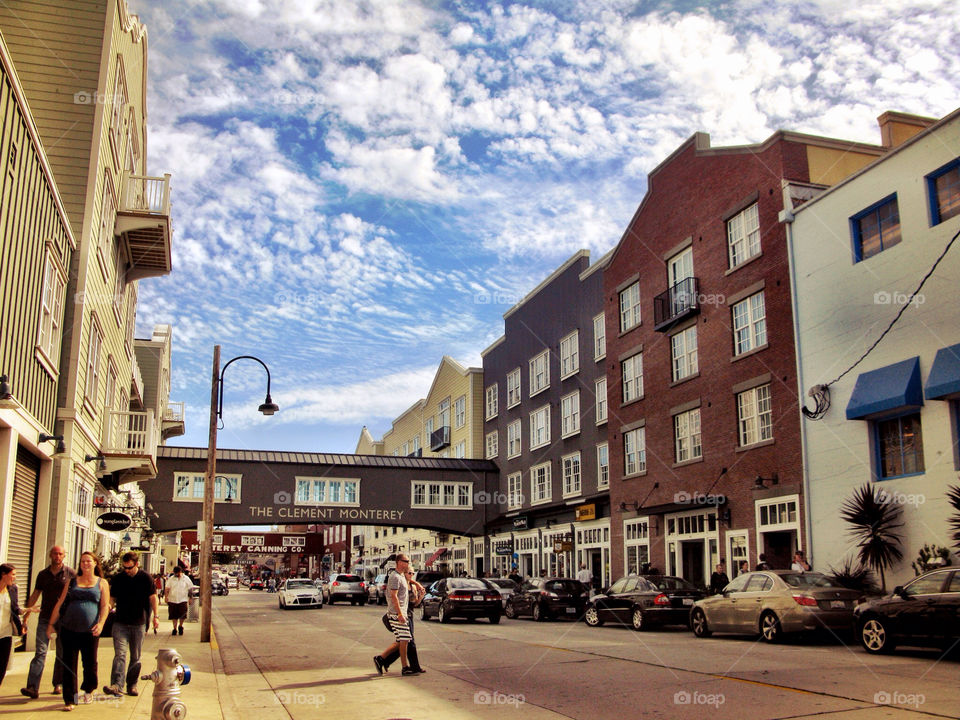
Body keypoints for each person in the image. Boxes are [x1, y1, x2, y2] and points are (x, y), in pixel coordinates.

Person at [48, 551, 110, 711]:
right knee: (69, 664)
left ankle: (88, 689)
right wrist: (51, 625)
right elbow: (60, 603)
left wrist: (101, 623)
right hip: (69, 629)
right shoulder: (72, 581)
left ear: (95, 563)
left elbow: (104, 606)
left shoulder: (102, 583)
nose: (85, 564)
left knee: (89, 663)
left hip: (90, 631)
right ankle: (70, 699)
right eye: (83, 561)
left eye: (88, 561)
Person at [21, 545, 74, 699]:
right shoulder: (43, 574)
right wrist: (26, 615)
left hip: (64, 619)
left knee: (62, 653)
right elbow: (36, 594)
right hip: (45, 618)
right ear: (50, 555)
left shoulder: (70, 574)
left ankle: (58, 684)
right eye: (55, 553)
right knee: (40, 652)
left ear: (64, 556)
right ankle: (32, 687)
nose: (57, 556)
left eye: (60, 554)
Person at [103, 551, 159, 697]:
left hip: (139, 623)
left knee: (135, 657)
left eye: (130, 568)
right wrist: (108, 607)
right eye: (124, 568)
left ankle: (132, 685)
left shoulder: (145, 578)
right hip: (120, 623)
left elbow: (153, 598)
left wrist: (156, 617)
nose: (126, 571)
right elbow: (112, 597)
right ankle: (116, 685)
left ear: (136, 564)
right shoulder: (118, 578)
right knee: (120, 654)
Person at [374, 554, 416, 676]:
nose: (407, 563)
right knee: (404, 639)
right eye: (405, 561)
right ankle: (405, 667)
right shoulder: (394, 577)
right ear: (398, 562)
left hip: (401, 613)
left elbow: (408, 581)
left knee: (402, 640)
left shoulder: (401, 575)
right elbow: (394, 596)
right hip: (396, 614)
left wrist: (417, 584)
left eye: (408, 561)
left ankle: (381, 658)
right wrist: (399, 613)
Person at [381, 569, 425, 674]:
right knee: (408, 641)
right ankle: (414, 667)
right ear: (403, 573)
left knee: (405, 641)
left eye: (413, 573)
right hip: (401, 616)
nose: (411, 575)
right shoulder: (400, 585)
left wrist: (421, 596)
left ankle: (384, 660)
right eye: (409, 573)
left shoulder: (413, 586)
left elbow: (415, 604)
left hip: (410, 616)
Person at [0, 563, 26, 688]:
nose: (14, 577)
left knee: (2, 667)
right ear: (3, 575)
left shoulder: (13, 589)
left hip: (5, 632)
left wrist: (21, 625)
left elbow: (15, 609)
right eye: (13, 574)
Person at [164, 566, 193, 636]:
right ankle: (174, 628)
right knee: (173, 615)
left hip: (183, 599)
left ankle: (180, 626)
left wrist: (190, 598)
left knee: (182, 615)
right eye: (175, 573)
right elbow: (167, 588)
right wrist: (166, 597)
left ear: (181, 572)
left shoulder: (186, 579)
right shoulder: (171, 579)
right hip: (172, 599)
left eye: (177, 573)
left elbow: (190, 589)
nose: (176, 575)